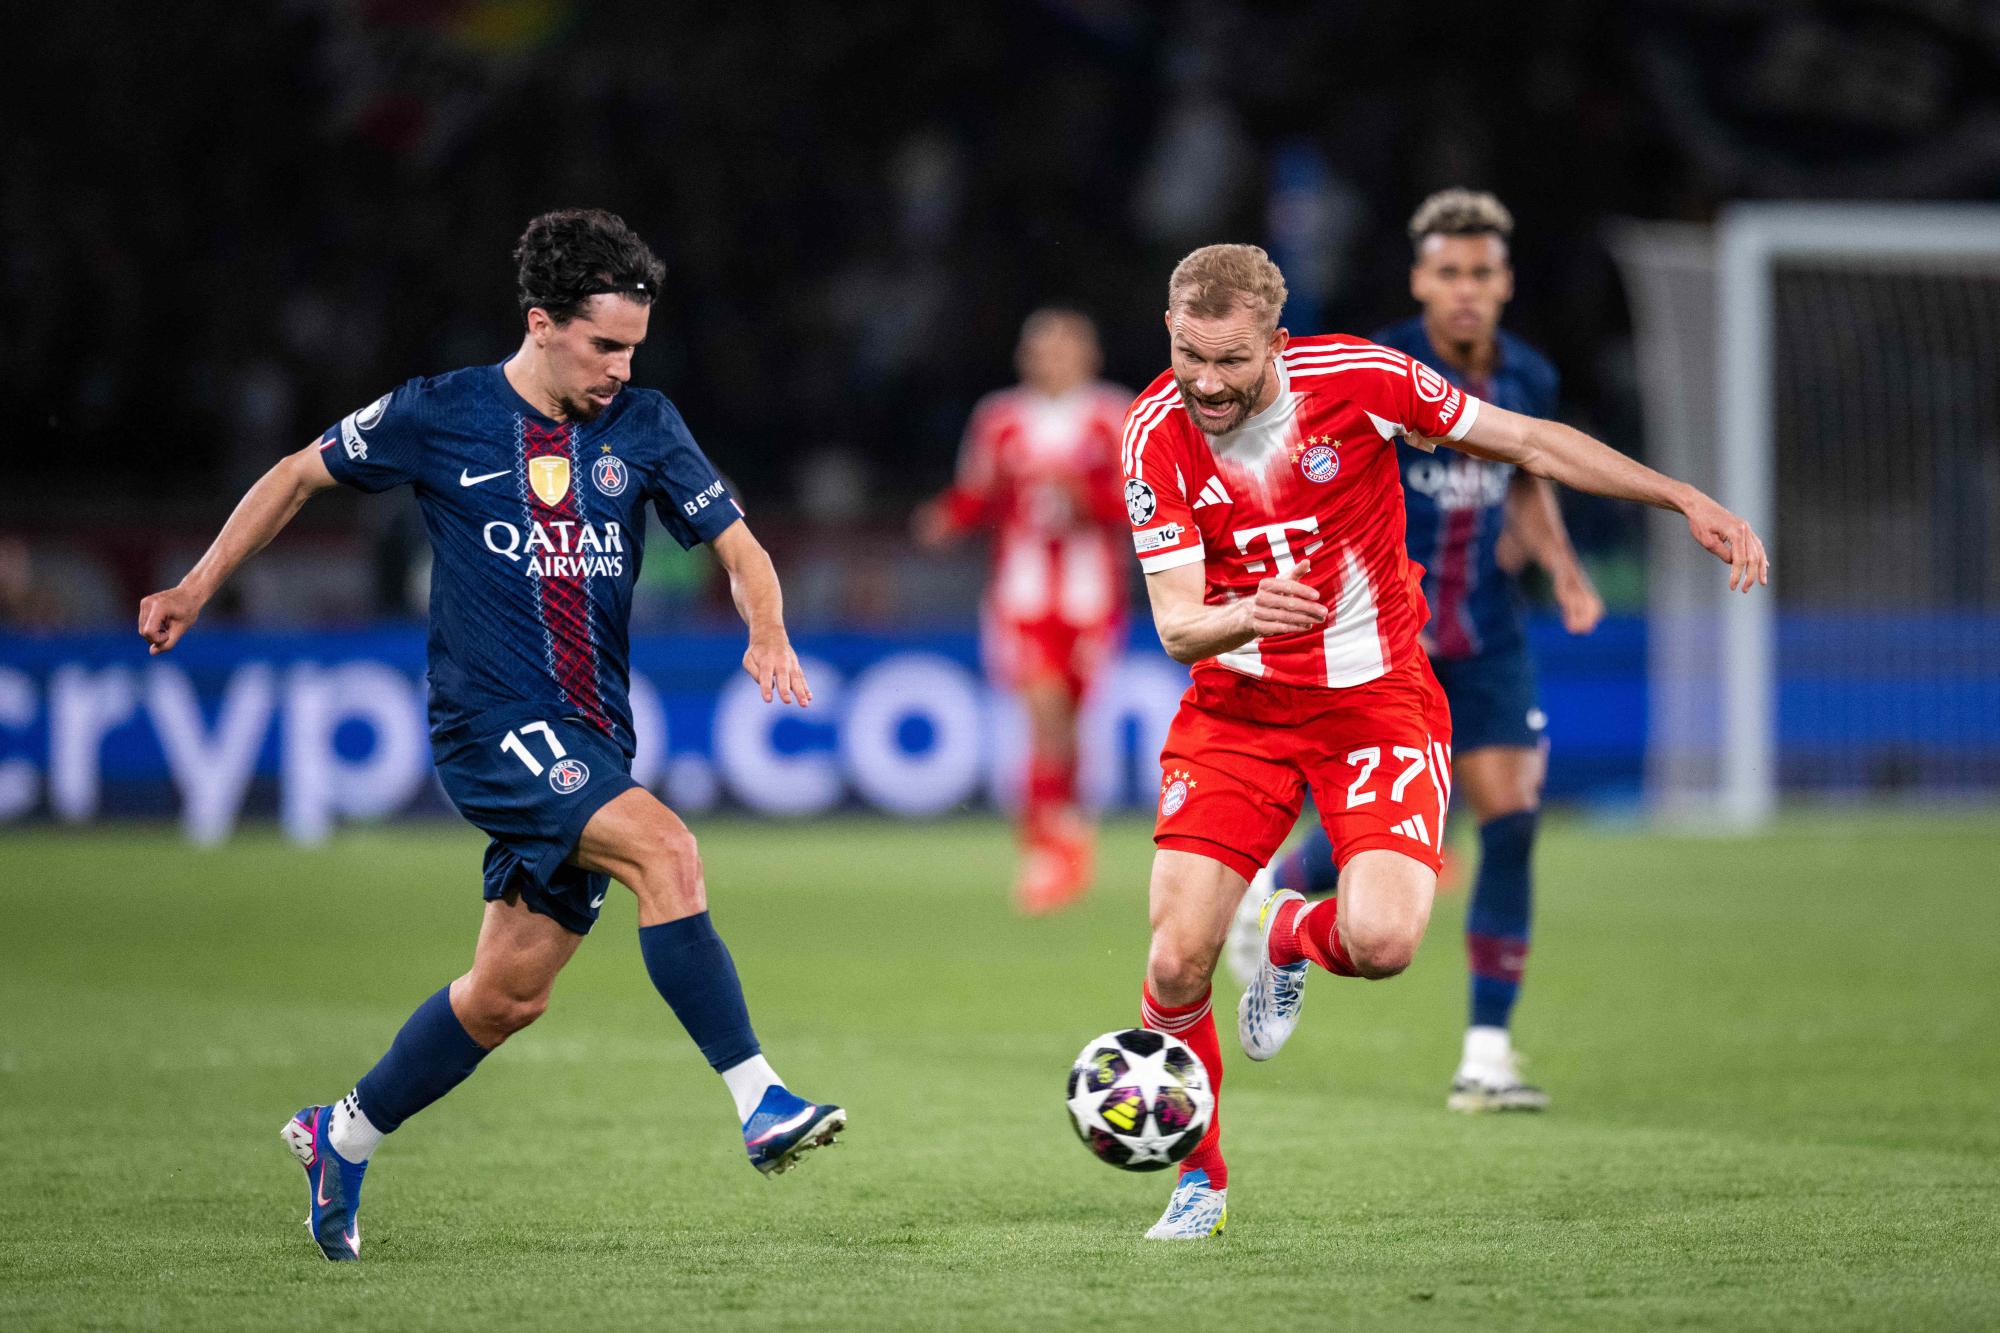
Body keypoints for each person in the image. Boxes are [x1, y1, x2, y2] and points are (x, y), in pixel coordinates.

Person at [137, 209, 845, 1262]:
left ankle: (343, 1133)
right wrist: (199, 582)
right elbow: (295, 472)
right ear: (542, 323)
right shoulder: (443, 413)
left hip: (595, 737)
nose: (619, 367)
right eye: (603, 345)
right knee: (668, 850)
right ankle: (759, 1098)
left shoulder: (644, 425)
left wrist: (769, 626)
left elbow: (739, 546)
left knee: (508, 994)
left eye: (632, 348)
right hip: (491, 729)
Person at [1122, 243, 1765, 1240]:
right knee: (1172, 964)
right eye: (1187, 355)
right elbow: (1172, 625)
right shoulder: (1151, 433)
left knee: (1381, 942)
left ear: (1275, 346)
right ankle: (1198, 1179)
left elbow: (1532, 445)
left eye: (1229, 361)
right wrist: (1252, 611)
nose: (1205, 383)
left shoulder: (1359, 381)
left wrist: (1681, 496)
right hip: (1235, 713)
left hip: (1373, 699)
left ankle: (1287, 930)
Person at [1223, 190, 1603, 1112]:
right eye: (1449, 273)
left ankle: (1486, 1054)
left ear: (1504, 281)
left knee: (1511, 823)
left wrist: (1562, 567)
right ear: (1420, 280)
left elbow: (1525, 475)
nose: (1466, 291)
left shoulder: (1529, 378)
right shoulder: (1378, 368)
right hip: (1389, 645)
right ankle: (1281, 905)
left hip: (1488, 633)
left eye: (1481, 273)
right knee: (1394, 847)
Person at [914, 309, 1131, 913]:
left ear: (1089, 356)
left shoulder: (1116, 415)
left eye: (1065, 348)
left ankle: (1066, 835)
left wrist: (1084, 498)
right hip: (1022, 596)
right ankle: (1046, 850)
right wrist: (945, 519)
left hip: (1092, 598)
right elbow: (977, 495)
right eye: (1040, 348)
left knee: (1072, 723)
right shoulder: (999, 418)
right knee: (1044, 714)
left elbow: (1143, 507)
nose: (1052, 359)